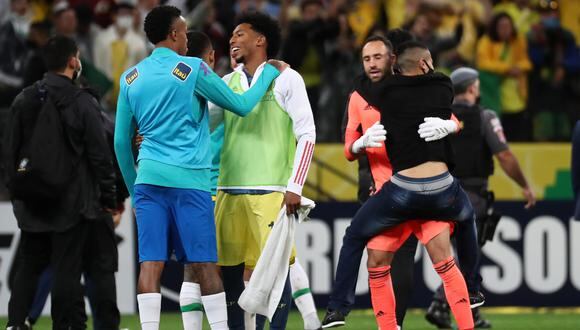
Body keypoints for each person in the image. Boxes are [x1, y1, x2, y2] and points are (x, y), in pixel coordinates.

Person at [113, 6, 286, 330]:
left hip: (148, 182)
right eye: (184, 30)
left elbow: (122, 144)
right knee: (205, 266)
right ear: (175, 34)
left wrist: (135, 190)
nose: (187, 40)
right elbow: (242, 106)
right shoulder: (192, 69)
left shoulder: (130, 77)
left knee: (150, 266)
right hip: (190, 183)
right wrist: (269, 73)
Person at [323, 41, 475, 330]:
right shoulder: (357, 98)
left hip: (402, 192)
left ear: (392, 59)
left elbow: (449, 115)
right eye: (366, 58)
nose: (372, 63)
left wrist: (453, 125)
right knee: (380, 262)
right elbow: (347, 150)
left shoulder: (403, 89)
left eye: (378, 56)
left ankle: (465, 324)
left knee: (440, 260)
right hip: (389, 190)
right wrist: (359, 143)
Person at [210, 12, 317, 330]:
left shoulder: (288, 78)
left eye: (239, 34)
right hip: (228, 190)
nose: (232, 40)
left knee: (274, 273)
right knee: (229, 275)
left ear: (261, 40)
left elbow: (307, 133)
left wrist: (295, 185)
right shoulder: (227, 83)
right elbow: (204, 129)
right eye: (231, 35)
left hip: (271, 191)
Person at [3, 35, 118, 329]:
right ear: (72, 61)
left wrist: (19, 195)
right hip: (71, 204)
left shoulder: (23, 98)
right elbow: (99, 155)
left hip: (33, 203)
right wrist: (109, 198)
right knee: (67, 270)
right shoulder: (81, 101)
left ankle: (16, 324)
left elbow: (10, 153)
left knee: (28, 268)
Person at [426, 67, 536, 329]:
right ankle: (442, 305)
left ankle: (460, 312)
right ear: (473, 87)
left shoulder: (438, 118)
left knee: (451, 257)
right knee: (468, 257)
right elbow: (505, 156)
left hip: (439, 194)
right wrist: (524, 185)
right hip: (471, 196)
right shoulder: (485, 116)